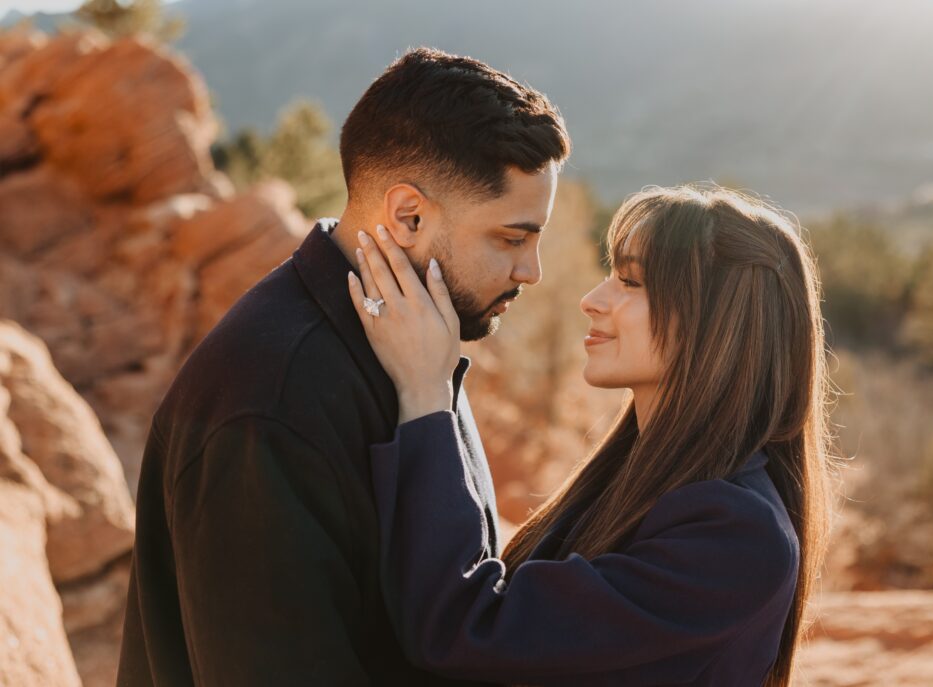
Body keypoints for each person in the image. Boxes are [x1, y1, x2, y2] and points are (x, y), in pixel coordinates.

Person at [117, 47, 570, 686]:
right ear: (408, 215)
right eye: (511, 238)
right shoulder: (270, 400)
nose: (532, 271)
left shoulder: (416, 344)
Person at [347, 184, 839, 686]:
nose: (592, 300)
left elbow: (467, 631)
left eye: (630, 282)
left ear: (717, 321)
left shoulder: (735, 534)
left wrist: (426, 391)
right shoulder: (643, 480)